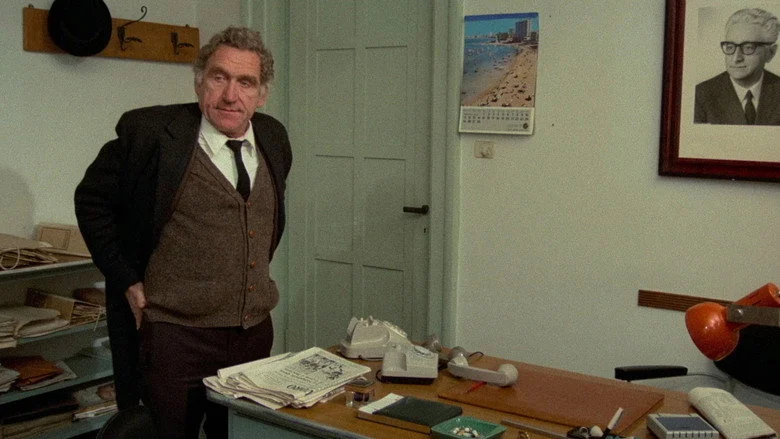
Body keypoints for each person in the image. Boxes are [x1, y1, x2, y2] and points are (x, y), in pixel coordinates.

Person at [74, 26, 292, 438]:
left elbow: (263, 219)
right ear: (199, 81)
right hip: (175, 338)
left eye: (246, 82)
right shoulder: (151, 135)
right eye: (219, 77)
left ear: (261, 94)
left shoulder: (273, 137)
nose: (231, 95)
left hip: (252, 336)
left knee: (241, 435)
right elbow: (91, 202)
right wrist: (126, 278)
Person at [694, 8, 780, 125]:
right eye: (730, 47)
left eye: (748, 47)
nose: (736, 58)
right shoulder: (700, 95)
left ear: (771, 53)